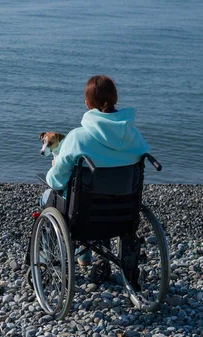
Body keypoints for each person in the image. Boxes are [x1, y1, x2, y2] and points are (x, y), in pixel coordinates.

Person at [42, 75, 150, 287]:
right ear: (115, 99)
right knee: (105, 196)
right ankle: (102, 259)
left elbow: (56, 181)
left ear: (87, 103)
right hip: (125, 213)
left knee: (47, 197)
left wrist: (52, 171)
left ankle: (49, 262)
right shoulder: (134, 135)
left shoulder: (77, 137)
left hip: (84, 215)